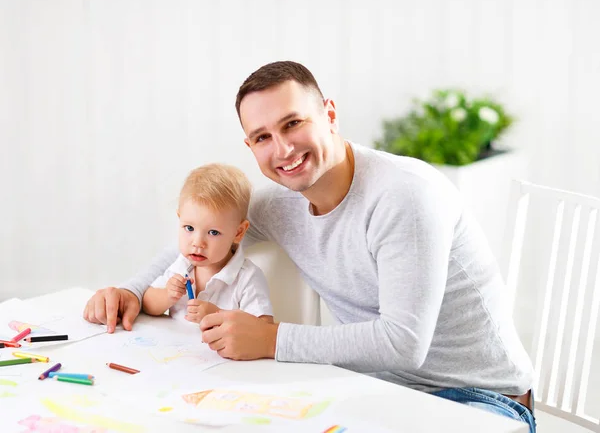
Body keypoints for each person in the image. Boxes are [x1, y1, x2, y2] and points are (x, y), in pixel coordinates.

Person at [84, 61, 535, 430]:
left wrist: (271, 339)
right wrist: (131, 290)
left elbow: (403, 343)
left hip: (475, 399)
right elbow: (203, 240)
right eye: (262, 137)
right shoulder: (281, 203)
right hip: (369, 392)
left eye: (293, 123)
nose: (282, 149)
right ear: (251, 146)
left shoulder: (404, 196)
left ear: (330, 114)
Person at [140, 163, 273, 324]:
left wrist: (216, 314)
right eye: (189, 228)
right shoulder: (181, 266)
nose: (197, 243)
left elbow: (264, 327)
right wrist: (167, 295)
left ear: (238, 233)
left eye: (213, 232)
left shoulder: (247, 277)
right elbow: (147, 305)